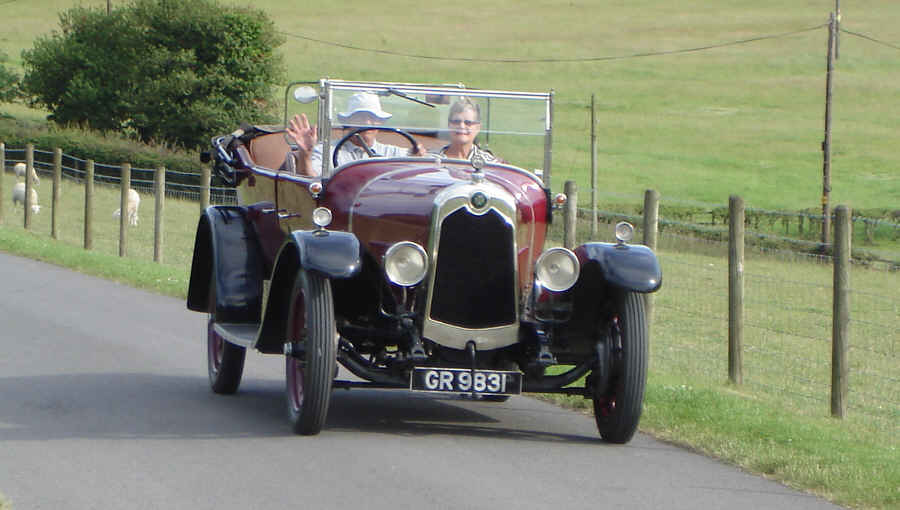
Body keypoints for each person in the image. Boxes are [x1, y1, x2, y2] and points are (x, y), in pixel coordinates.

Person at [283, 92, 425, 176]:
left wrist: (419, 159)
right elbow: (311, 181)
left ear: (380, 123)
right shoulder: (326, 151)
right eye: (361, 117)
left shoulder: (394, 153)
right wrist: (305, 155)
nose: (367, 123)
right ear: (349, 121)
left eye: (373, 118)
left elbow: (425, 167)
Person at [438, 97, 500, 163]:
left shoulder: (490, 163)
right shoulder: (430, 159)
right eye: (456, 121)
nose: (462, 126)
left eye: (468, 123)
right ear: (449, 125)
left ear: (478, 128)